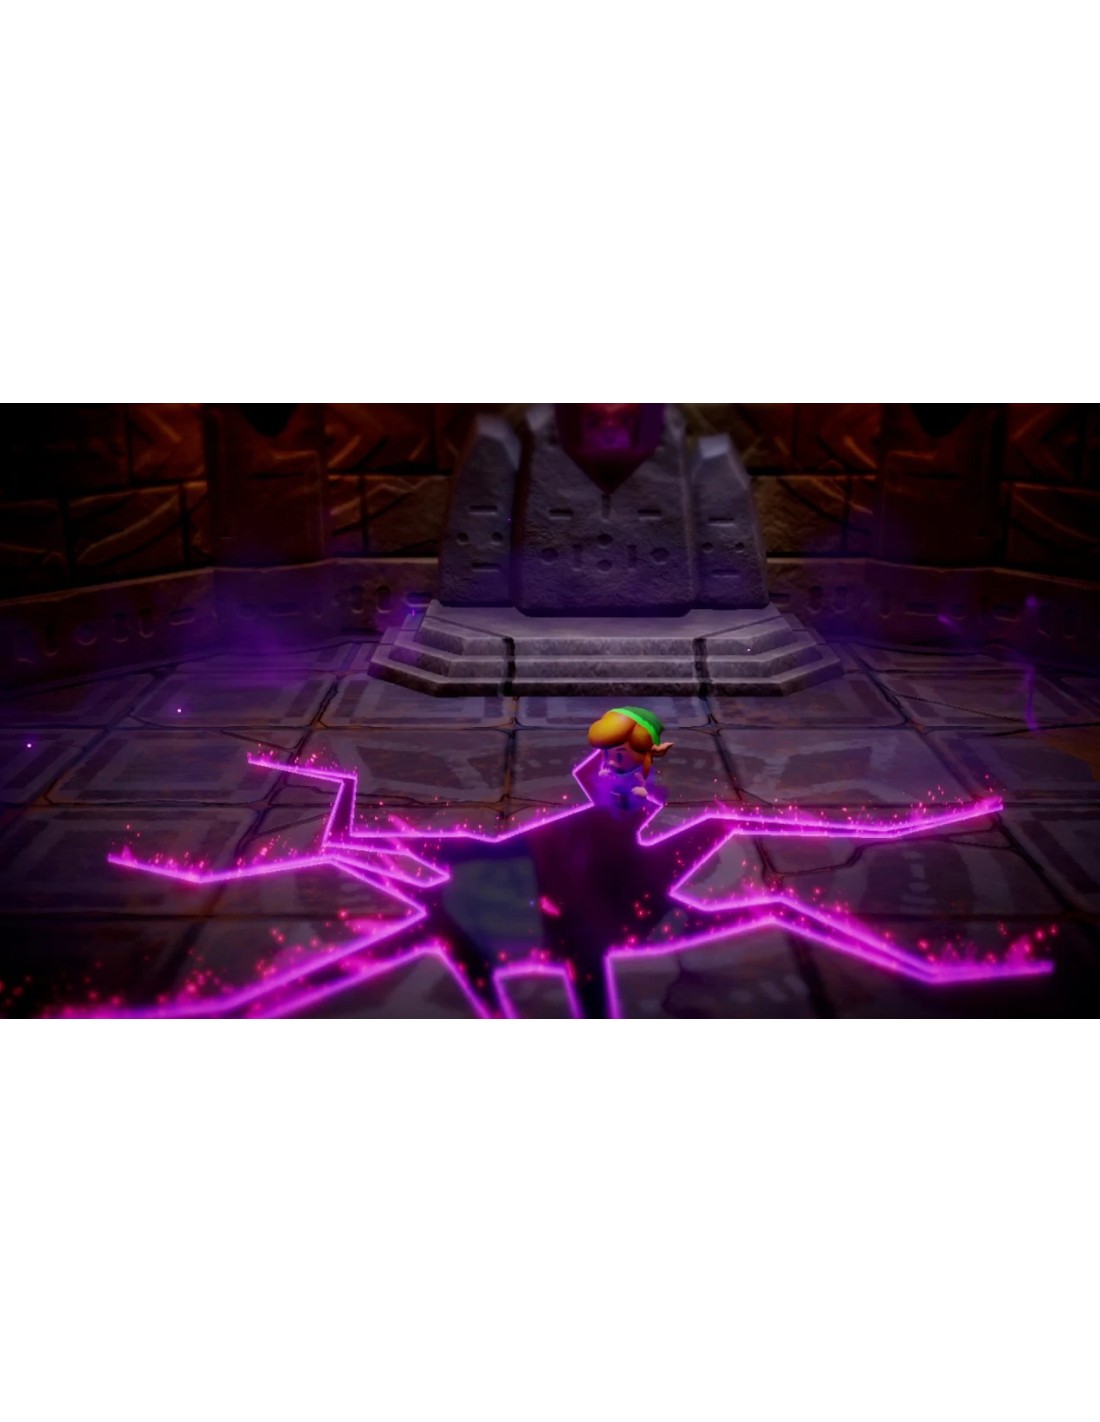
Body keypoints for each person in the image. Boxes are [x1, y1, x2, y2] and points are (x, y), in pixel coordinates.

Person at [586, 707, 674, 811]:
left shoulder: (641, 771)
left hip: (634, 804)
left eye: (619, 756)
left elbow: (652, 788)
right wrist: (603, 775)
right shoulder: (608, 767)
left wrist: (644, 792)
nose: (610, 762)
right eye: (605, 754)